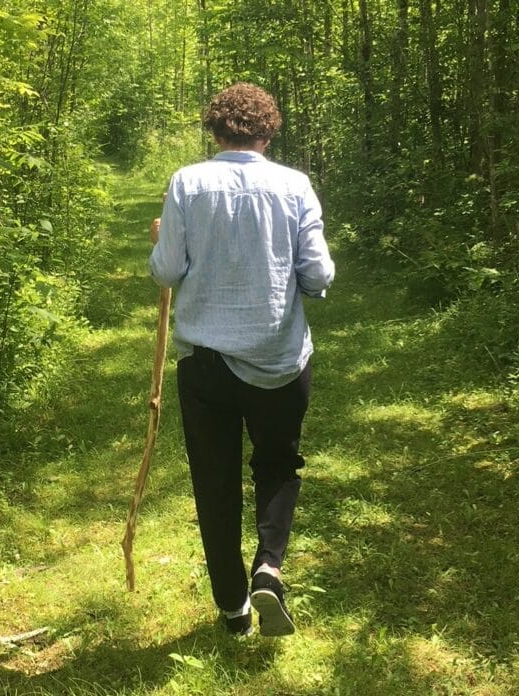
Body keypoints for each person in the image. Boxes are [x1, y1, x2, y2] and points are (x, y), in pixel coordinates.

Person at [149, 83, 335, 637]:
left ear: (215, 130)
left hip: (205, 362)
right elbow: (318, 274)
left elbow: (166, 271)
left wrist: (166, 249)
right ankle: (269, 567)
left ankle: (234, 609)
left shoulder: (188, 182)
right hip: (279, 359)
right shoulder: (295, 185)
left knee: (214, 480)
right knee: (278, 462)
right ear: (268, 132)